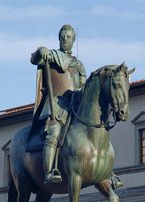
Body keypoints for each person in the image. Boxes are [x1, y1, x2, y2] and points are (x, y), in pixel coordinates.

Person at [30, 24, 86, 185]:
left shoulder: (79, 64)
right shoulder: (52, 56)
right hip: (57, 105)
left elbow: (83, 86)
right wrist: (41, 50)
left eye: (68, 37)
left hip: (75, 105)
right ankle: (48, 172)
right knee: (53, 133)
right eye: (62, 37)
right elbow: (34, 59)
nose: (64, 40)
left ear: (73, 40)